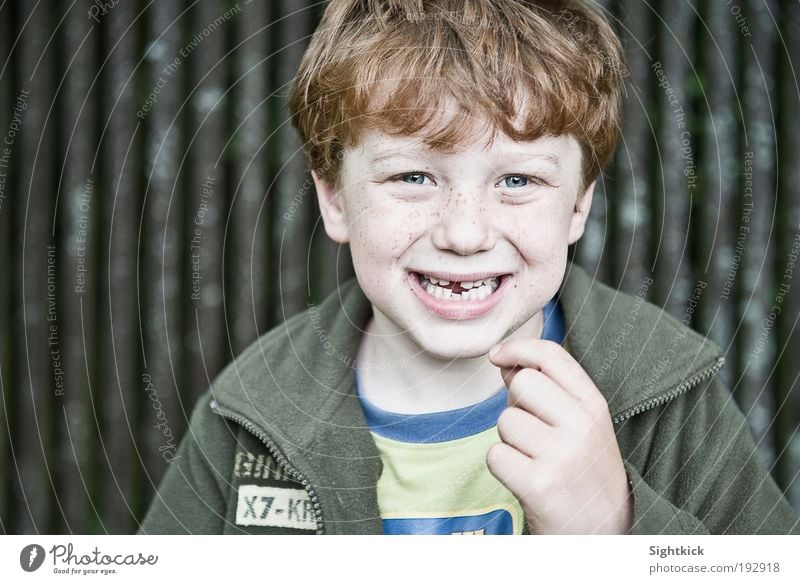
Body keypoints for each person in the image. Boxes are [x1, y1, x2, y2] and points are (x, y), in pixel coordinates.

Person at [138, 0, 799, 535]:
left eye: (516, 180)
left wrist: (613, 528)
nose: (463, 233)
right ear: (335, 198)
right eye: (414, 176)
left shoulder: (669, 392)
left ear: (578, 204)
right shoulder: (247, 413)